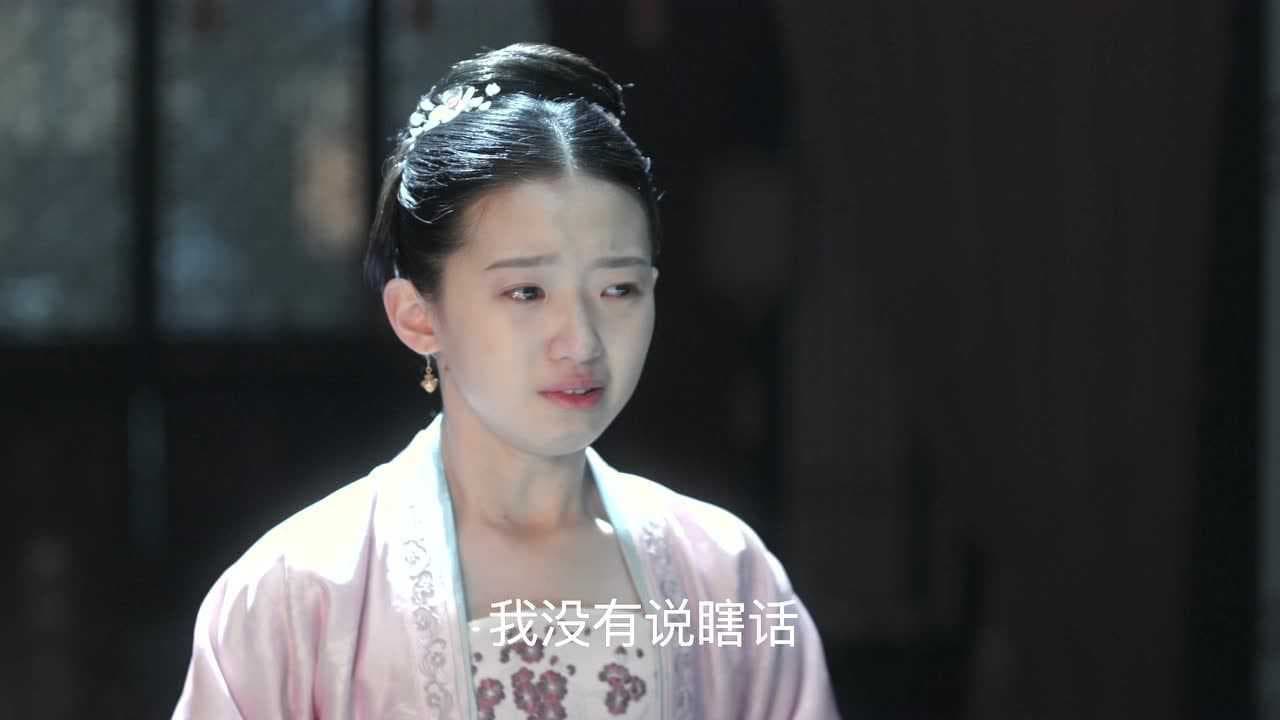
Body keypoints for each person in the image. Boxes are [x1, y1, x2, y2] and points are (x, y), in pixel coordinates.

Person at [172, 43, 839, 719]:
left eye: (618, 289)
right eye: (526, 292)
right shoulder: (300, 594)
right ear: (417, 316)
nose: (581, 340)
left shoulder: (728, 577)